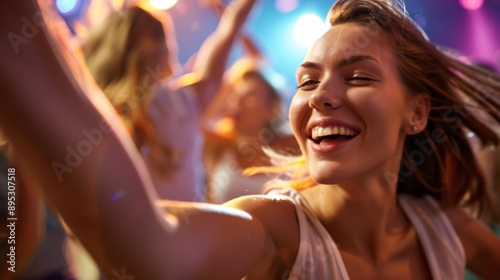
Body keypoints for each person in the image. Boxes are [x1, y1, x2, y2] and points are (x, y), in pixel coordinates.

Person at [1, 0, 500, 279]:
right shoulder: (276, 231)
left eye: (359, 76)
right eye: (308, 80)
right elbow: (153, 249)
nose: (321, 96)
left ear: (416, 113)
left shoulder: (445, 231)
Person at [81, 1, 258, 202]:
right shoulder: (180, 104)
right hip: (183, 232)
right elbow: (230, 30)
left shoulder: (88, 106)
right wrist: (228, 11)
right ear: (160, 49)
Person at [202, 35, 299, 203]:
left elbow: (258, 58)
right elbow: (197, 114)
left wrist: (234, 28)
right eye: (234, 96)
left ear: (271, 108)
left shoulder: (292, 145)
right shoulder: (219, 147)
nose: (237, 102)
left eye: (250, 96)